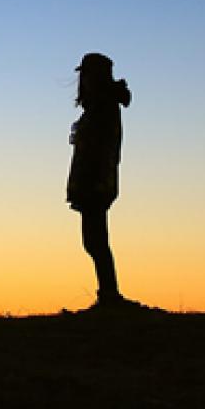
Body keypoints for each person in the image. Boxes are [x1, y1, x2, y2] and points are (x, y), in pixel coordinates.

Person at [66, 52, 136, 308]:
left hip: (96, 183)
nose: (83, 80)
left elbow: (103, 149)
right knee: (94, 240)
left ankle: (109, 295)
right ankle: (108, 294)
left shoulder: (104, 107)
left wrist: (96, 182)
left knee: (95, 240)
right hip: (93, 182)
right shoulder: (99, 106)